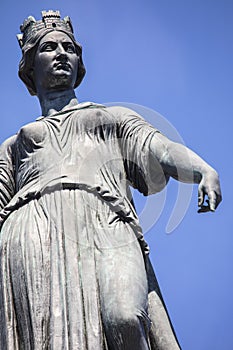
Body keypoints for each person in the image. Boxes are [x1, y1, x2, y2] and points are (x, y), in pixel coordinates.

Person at [0, 10, 221, 350]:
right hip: (32, 236)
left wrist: (204, 170)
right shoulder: (13, 146)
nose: (62, 53)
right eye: (49, 47)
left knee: (124, 316)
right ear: (30, 66)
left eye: (69, 48)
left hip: (105, 222)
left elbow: (160, 148)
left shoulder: (111, 118)